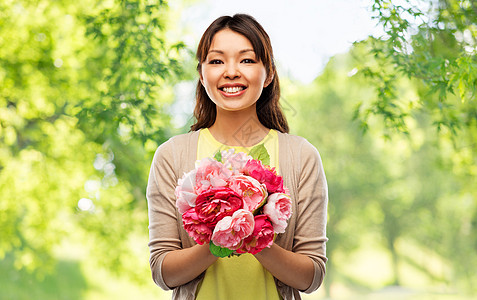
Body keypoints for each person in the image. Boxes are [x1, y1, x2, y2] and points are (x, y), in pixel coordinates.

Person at [147, 14, 328, 300]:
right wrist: (220, 237)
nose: (231, 72)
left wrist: (253, 232)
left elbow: (311, 275)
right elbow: (163, 271)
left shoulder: (301, 156)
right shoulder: (171, 155)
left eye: (246, 60)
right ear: (202, 74)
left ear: (268, 74)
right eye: (217, 61)